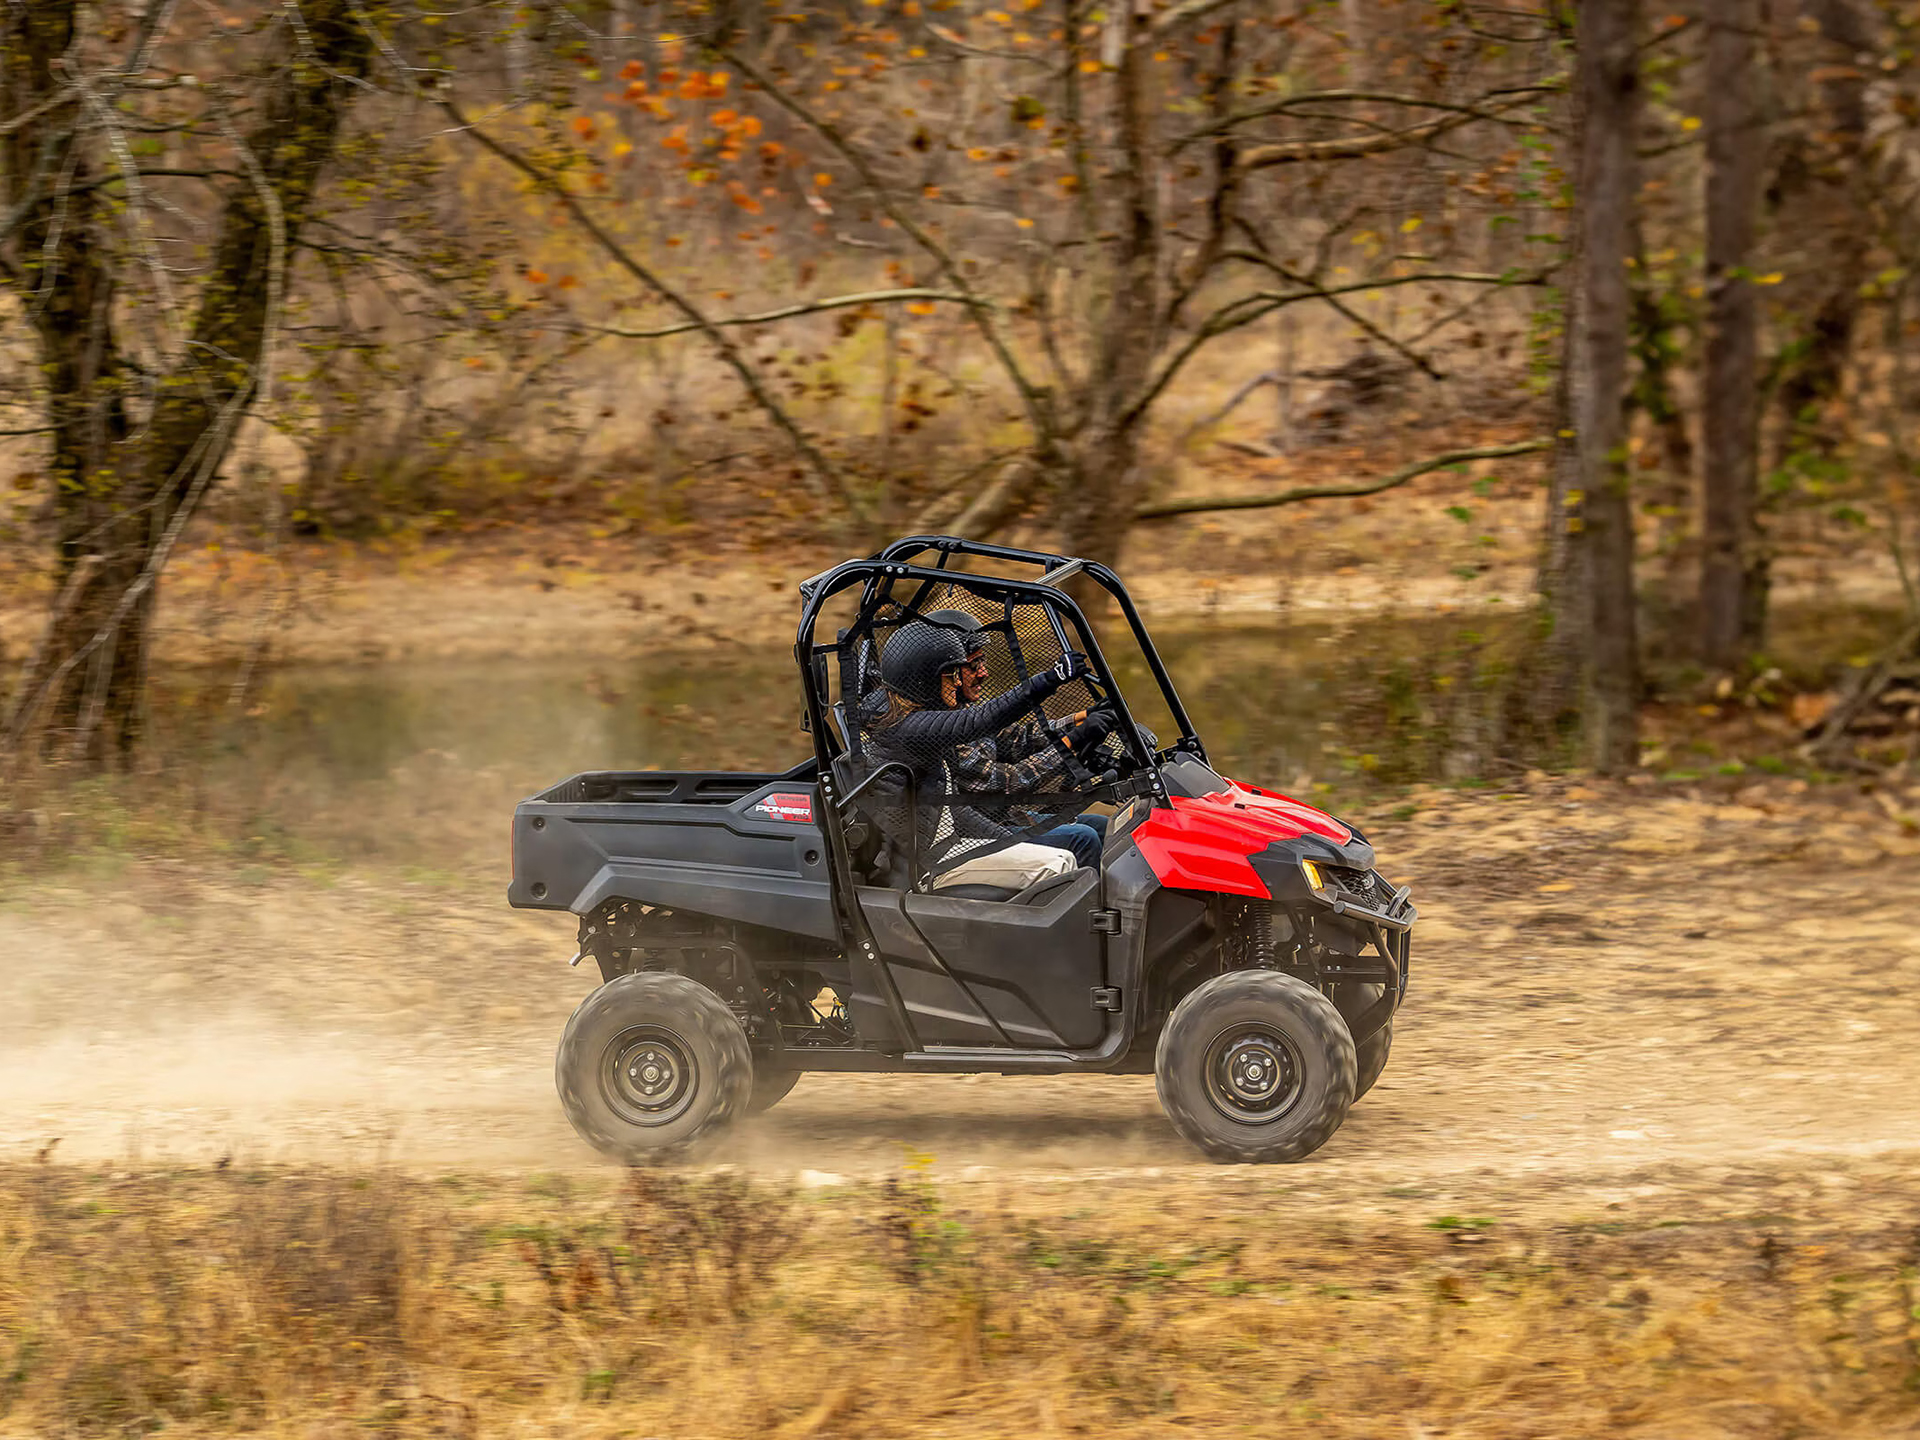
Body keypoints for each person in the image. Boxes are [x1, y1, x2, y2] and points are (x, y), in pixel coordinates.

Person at [864, 618, 1101, 878]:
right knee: (1063, 858)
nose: (957, 683)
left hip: (948, 845)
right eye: (952, 674)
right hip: (930, 864)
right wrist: (1049, 679)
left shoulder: (918, 726)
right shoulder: (908, 729)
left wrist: (1010, 845)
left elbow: (956, 811)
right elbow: (982, 720)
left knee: (1094, 829)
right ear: (925, 679)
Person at [920, 608, 1115, 870]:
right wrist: (1072, 742)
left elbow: (1015, 740)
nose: (983, 673)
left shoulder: (963, 710)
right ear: (947, 672)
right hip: (978, 836)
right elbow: (1008, 782)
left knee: (1104, 826)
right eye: (973, 665)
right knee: (1083, 839)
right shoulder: (938, 728)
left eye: (982, 662)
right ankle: (1086, 910)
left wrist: (1082, 717)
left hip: (1006, 817)